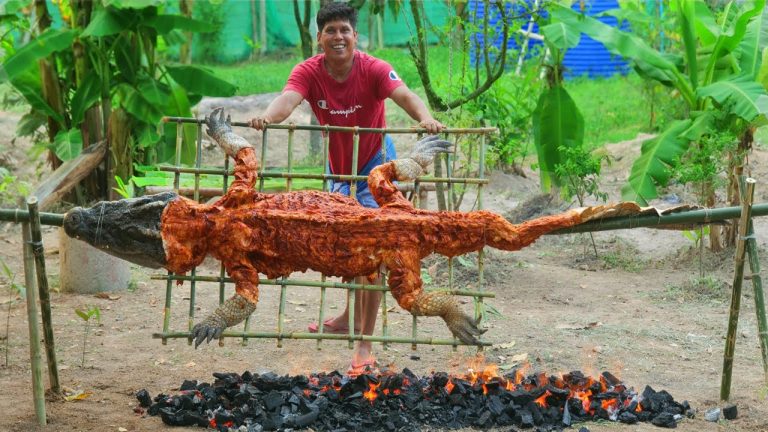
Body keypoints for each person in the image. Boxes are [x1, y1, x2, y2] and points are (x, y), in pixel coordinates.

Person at [249, 2, 443, 370]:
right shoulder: (308, 71)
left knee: (371, 257)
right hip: (337, 167)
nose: (338, 37)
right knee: (343, 247)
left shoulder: (374, 68)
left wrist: (426, 118)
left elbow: (405, 95)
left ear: (355, 36)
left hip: (374, 166)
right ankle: (349, 316)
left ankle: (365, 345)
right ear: (319, 38)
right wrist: (266, 118)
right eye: (330, 31)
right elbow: (287, 100)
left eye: (344, 31)